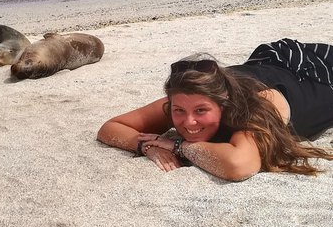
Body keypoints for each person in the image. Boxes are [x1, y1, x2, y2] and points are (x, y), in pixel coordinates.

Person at [97, 38, 333, 181]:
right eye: (179, 111)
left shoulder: (252, 108)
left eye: (201, 111)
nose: (188, 122)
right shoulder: (184, 101)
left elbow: (239, 165)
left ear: (224, 104)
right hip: (268, 64)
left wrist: (178, 146)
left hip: (318, 76)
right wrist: (146, 146)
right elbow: (110, 128)